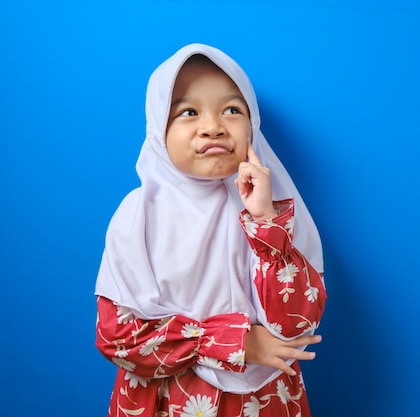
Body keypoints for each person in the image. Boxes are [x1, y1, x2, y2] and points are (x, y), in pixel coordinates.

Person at [95, 43, 326, 417]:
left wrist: (265, 223)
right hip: (168, 398)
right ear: (158, 128)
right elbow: (116, 337)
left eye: (232, 110)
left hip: (263, 397)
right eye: (188, 112)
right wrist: (238, 342)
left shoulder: (274, 209)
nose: (213, 127)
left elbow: (297, 323)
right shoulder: (138, 216)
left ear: (252, 126)